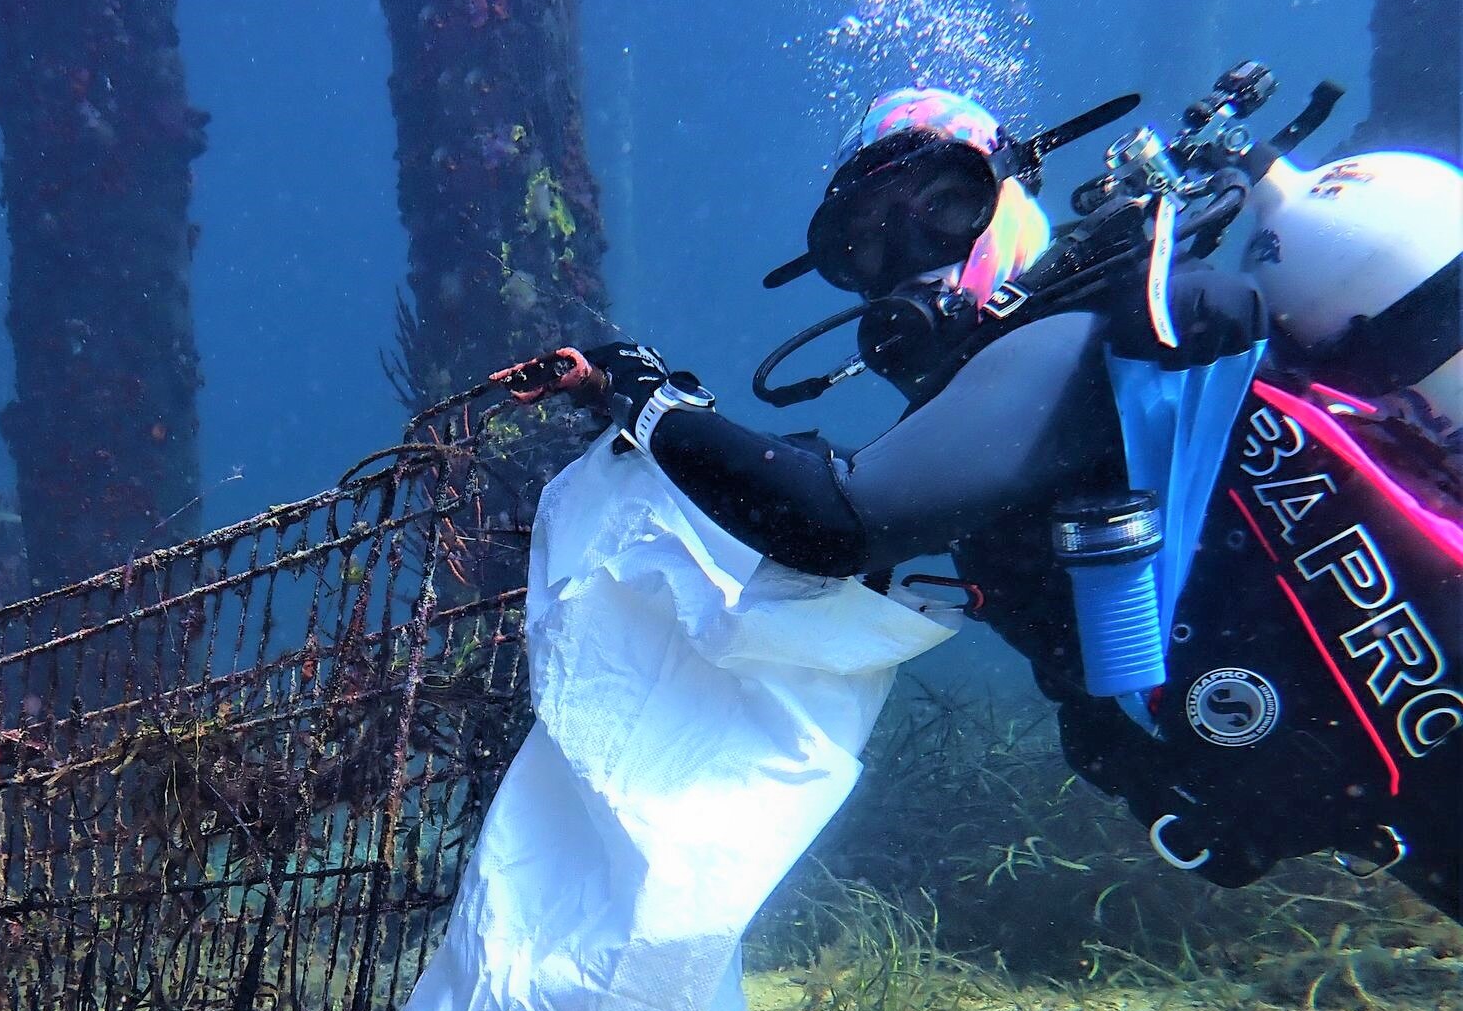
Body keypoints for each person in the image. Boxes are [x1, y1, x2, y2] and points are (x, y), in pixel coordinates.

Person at [513, 83, 1461, 912]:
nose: (910, 257)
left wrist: (641, 397)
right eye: (868, 248)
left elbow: (839, 517)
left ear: (1012, 198)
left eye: (942, 206)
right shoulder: (1072, 378)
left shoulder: (1083, 337)